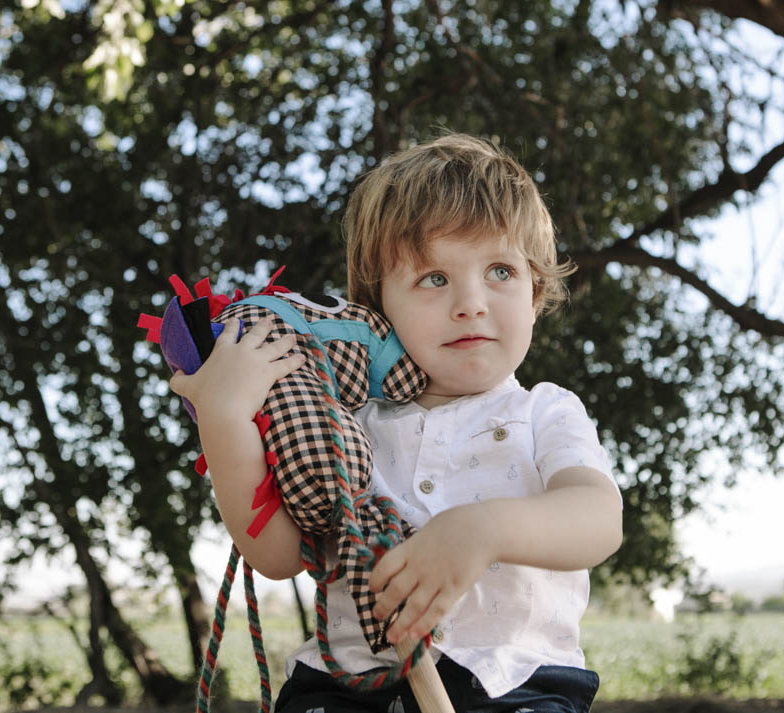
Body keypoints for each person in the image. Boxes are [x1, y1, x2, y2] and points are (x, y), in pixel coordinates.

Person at [170, 134, 623, 713]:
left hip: (515, 684)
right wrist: (225, 414)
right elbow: (279, 555)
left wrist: (482, 530)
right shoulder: (344, 423)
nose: (471, 302)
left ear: (535, 293)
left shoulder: (545, 411)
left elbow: (597, 519)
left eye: (501, 271)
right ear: (375, 309)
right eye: (434, 278)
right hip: (348, 685)